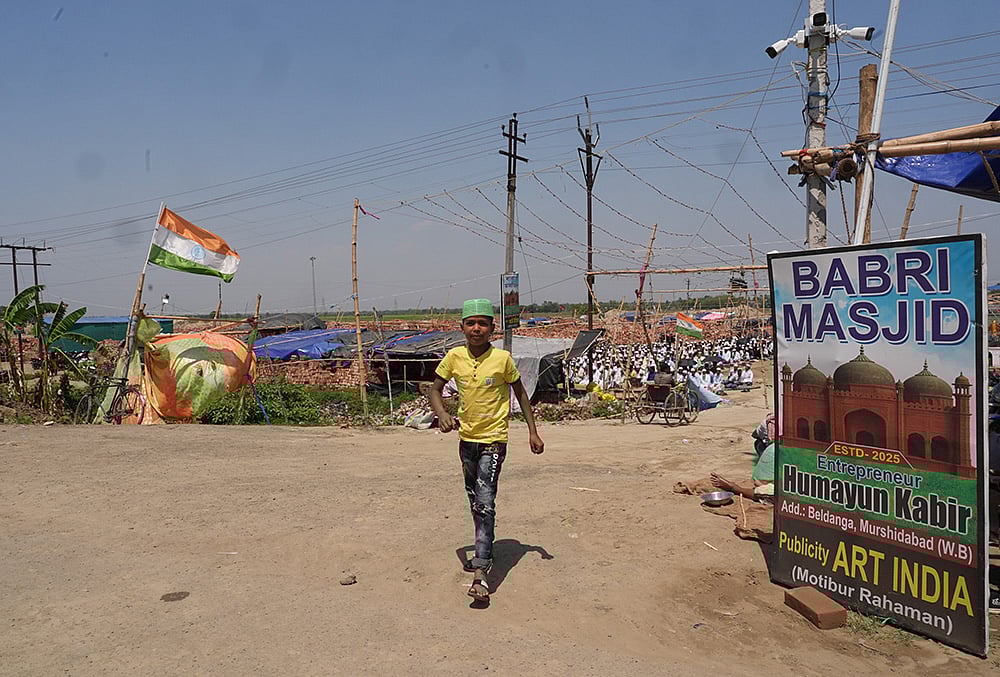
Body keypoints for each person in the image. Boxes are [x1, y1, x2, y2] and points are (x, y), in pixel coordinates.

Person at [430, 298, 544, 603]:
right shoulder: (454, 357)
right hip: (467, 440)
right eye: (471, 323)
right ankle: (482, 549)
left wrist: (532, 431)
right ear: (463, 327)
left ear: (493, 328)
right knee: (474, 500)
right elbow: (433, 388)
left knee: (485, 500)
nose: (476, 328)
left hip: (495, 439)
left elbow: (520, 393)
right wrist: (442, 414)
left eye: (483, 323)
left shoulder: (503, 359)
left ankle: (481, 573)